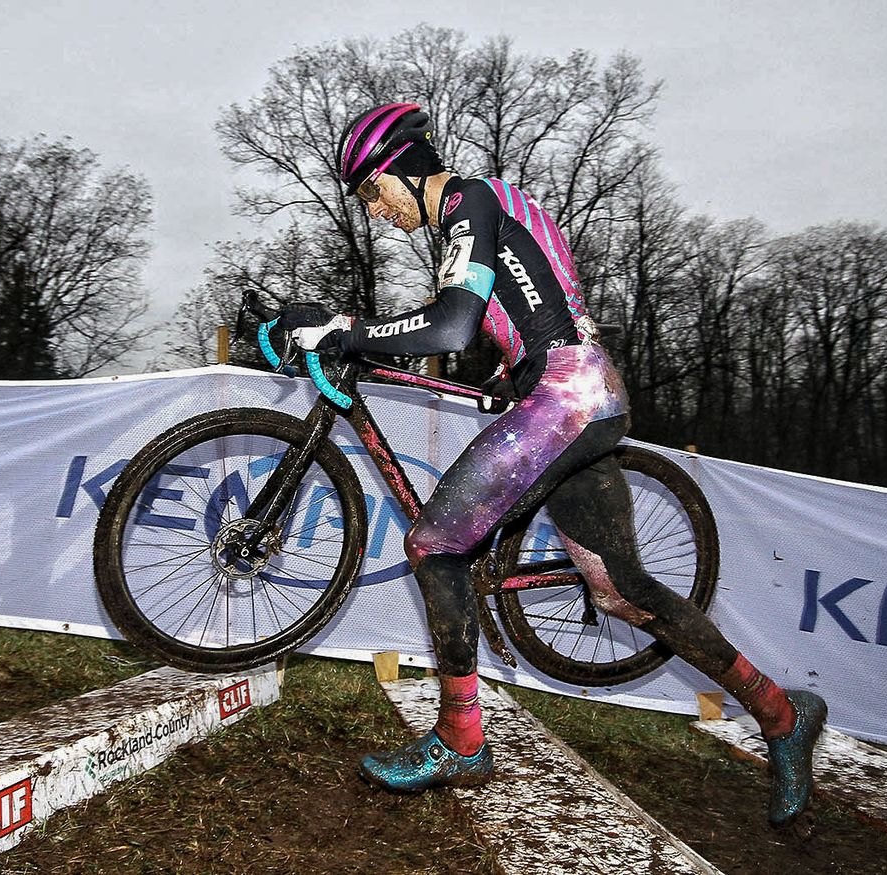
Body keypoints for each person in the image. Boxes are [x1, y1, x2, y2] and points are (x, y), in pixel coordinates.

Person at [275, 101, 827, 827]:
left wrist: (347, 330)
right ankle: (783, 713)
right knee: (622, 592)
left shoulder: (469, 199)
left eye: (373, 191)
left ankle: (461, 740)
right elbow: (547, 303)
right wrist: (515, 370)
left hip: (569, 402)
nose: (376, 211)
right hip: (580, 395)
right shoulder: (493, 206)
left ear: (404, 170)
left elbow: (449, 322)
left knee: (433, 543)